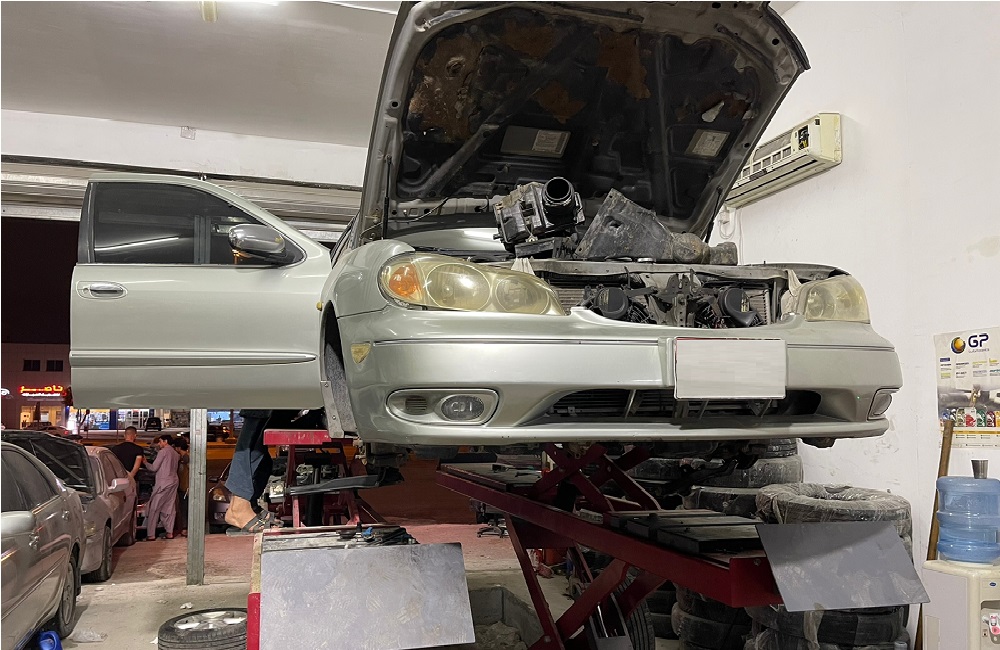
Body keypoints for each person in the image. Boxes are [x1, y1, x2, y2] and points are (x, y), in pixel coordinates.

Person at [143, 434, 180, 540]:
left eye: (160, 441)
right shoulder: (176, 454)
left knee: (154, 508)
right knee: (169, 507)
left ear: (165, 441)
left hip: (163, 483)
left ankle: (151, 534)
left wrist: (145, 463)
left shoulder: (163, 452)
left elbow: (154, 468)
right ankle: (169, 532)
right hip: (173, 482)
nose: (159, 444)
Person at [170, 436, 190, 537]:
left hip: (185, 488)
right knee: (183, 507)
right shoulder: (183, 457)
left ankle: (185, 528)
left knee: (184, 508)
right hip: (183, 487)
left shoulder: (185, 458)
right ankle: (185, 528)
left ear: (178, 448)